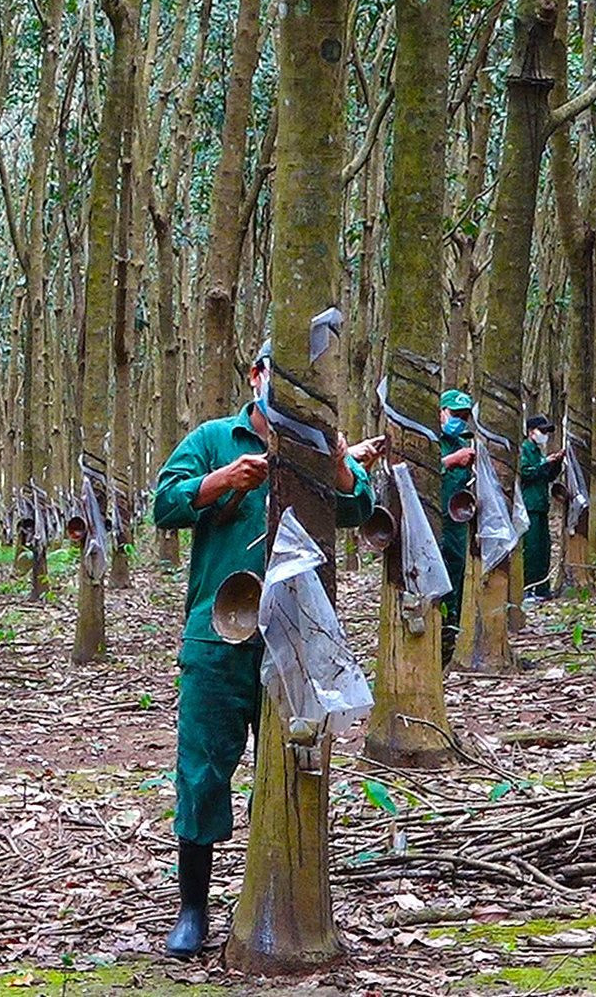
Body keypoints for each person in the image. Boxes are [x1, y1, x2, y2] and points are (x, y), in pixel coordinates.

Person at [150, 346, 373, 957]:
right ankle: (191, 909)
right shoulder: (212, 438)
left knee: (293, 763)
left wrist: (343, 467)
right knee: (201, 769)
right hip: (218, 633)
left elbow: (360, 508)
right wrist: (221, 481)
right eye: (272, 372)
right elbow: (163, 505)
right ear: (255, 377)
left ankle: (282, 893)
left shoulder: (317, 444)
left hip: (297, 637)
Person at [437, 389, 478, 655]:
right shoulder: (432, 440)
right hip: (434, 519)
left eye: (464, 416)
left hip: (457, 520)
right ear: (441, 412)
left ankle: (451, 626)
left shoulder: (462, 441)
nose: (459, 421)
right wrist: (451, 462)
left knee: (456, 568)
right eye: (454, 414)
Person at [519, 415, 565, 600]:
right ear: (531, 432)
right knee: (530, 550)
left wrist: (556, 463)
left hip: (540, 506)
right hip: (529, 505)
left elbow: (546, 476)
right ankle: (527, 589)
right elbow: (525, 472)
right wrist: (545, 462)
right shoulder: (524, 450)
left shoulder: (537, 451)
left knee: (543, 549)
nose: (545, 435)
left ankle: (542, 589)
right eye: (542, 431)